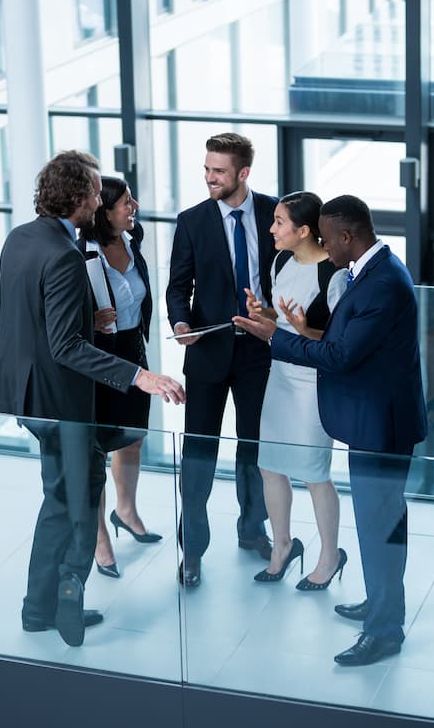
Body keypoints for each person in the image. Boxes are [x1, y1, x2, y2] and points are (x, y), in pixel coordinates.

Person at [0, 150, 185, 648]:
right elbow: (65, 347)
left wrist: (84, 319)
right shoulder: (64, 256)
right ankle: (70, 589)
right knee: (80, 490)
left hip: (25, 393)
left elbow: (36, 316)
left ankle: (39, 608)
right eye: (97, 193)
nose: (101, 201)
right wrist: (139, 376)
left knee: (61, 495)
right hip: (58, 400)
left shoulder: (21, 238)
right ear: (77, 197)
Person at [233, 195, 428, 666]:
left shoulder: (381, 283)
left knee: (381, 526)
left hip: (381, 426)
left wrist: (274, 338)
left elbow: (340, 355)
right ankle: (382, 603)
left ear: (347, 236)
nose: (323, 245)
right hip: (374, 421)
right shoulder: (371, 271)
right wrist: (289, 327)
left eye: (328, 237)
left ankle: (384, 630)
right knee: (378, 525)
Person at [166, 132, 276, 587]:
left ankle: (252, 530)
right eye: (207, 169)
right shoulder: (192, 221)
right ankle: (191, 550)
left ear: (243, 173)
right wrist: (179, 325)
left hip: (258, 353)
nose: (209, 177)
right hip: (207, 352)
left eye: (219, 171)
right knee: (198, 454)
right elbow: (178, 287)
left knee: (254, 448)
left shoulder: (274, 213)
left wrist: (273, 318)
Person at [246, 192, 348, 588]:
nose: (271, 229)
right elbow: (282, 319)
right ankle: (283, 546)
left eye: (279, 222)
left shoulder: (333, 274)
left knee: (313, 473)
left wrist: (304, 329)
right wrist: (263, 313)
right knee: (269, 465)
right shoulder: (281, 260)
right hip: (280, 375)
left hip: (312, 382)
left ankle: (329, 555)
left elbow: (339, 341)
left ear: (303, 231)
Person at [79, 176, 161, 579]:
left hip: (132, 350)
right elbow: (61, 316)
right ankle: (99, 539)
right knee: (96, 449)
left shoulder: (133, 241)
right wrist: (89, 321)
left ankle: (125, 511)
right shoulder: (81, 251)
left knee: (132, 438)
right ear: (104, 210)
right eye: (126, 202)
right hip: (96, 358)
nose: (135, 207)